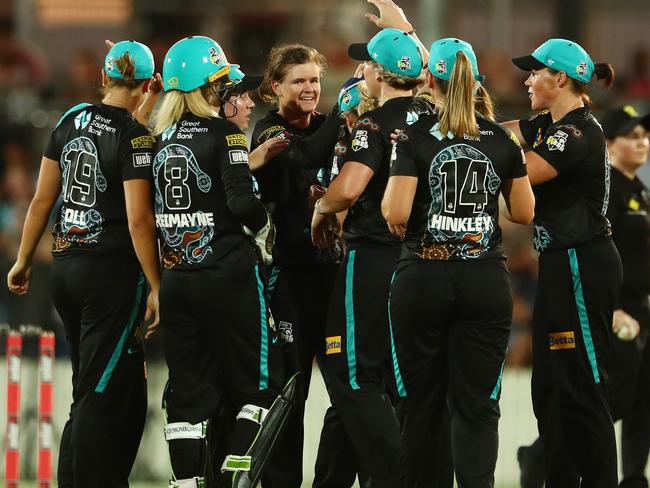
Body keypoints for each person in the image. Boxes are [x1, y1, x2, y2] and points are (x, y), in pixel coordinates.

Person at [7, 40, 160, 487]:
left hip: (65, 267)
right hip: (109, 274)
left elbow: (40, 200)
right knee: (97, 393)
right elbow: (138, 218)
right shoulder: (136, 136)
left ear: (103, 79)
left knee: (89, 386)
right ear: (149, 85)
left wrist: (23, 260)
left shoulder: (70, 119)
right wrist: (156, 283)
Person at [382, 37, 534, 488]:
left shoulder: (412, 136)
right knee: (478, 406)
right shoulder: (502, 138)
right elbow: (523, 213)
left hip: (423, 277)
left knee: (419, 403)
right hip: (484, 277)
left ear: (430, 79)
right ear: (476, 81)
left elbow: (395, 214)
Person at [152, 36, 282, 488]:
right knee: (261, 386)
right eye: (223, 83)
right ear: (208, 88)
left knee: (187, 396)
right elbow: (242, 205)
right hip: (227, 275)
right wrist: (265, 226)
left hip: (177, 281)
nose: (229, 91)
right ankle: (232, 481)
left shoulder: (159, 139)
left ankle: (187, 484)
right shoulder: (222, 133)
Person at [309, 26, 427, 488]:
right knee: (391, 383)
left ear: (378, 73)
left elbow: (349, 189)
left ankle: (397, 478)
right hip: (419, 261)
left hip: (373, 257)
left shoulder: (376, 125)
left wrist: (323, 209)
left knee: (352, 376)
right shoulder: (436, 115)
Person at [504, 38, 620, 487]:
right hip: (558, 262)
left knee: (584, 388)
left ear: (561, 78)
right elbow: (506, 131)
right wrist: (463, 126)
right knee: (549, 390)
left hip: (581, 263)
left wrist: (476, 154)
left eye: (535, 72)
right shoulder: (547, 125)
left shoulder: (574, 132)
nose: (528, 79)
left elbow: (525, 170)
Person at [252, 41, 345, 488]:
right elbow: (302, 157)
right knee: (291, 395)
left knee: (349, 392)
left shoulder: (331, 126)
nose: (310, 88)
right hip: (289, 279)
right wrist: (349, 113)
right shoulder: (267, 134)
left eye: (314, 80)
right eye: (299, 81)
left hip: (335, 277)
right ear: (275, 86)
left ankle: (331, 481)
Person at [603, 106, 650, 488]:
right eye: (633, 137)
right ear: (609, 144)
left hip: (643, 309)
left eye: (645, 137)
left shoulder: (641, 190)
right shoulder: (606, 190)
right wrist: (613, 307)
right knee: (617, 395)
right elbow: (602, 255)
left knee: (643, 399)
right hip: (617, 310)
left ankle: (634, 478)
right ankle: (545, 452)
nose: (643, 142)